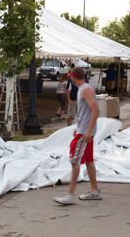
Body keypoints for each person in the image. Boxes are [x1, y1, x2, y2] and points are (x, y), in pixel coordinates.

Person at [53, 67, 101, 205]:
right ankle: (94, 191)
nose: (70, 79)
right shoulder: (84, 89)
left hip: (85, 132)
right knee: (88, 160)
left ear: (74, 77)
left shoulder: (85, 89)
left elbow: (95, 110)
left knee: (75, 161)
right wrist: (79, 127)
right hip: (84, 130)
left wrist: (87, 131)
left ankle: (69, 194)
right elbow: (84, 112)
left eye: (70, 77)